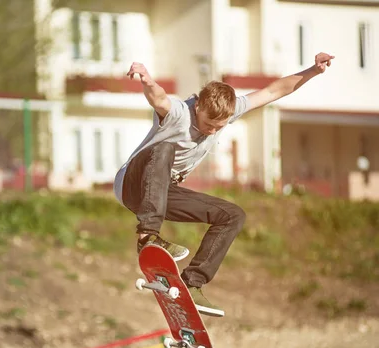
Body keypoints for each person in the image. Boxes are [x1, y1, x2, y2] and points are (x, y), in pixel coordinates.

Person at [114, 53, 335, 317]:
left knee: (232, 215)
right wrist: (147, 80)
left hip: (161, 191)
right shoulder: (179, 113)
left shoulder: (228, 112)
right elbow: (159, 98)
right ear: (198, 107)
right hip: (131, 183)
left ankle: (192, 283)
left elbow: (274, 90)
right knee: (164, 149)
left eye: (218, 127)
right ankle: (147, 236)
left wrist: (313, 70)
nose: (211, 131)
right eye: (208, 124)